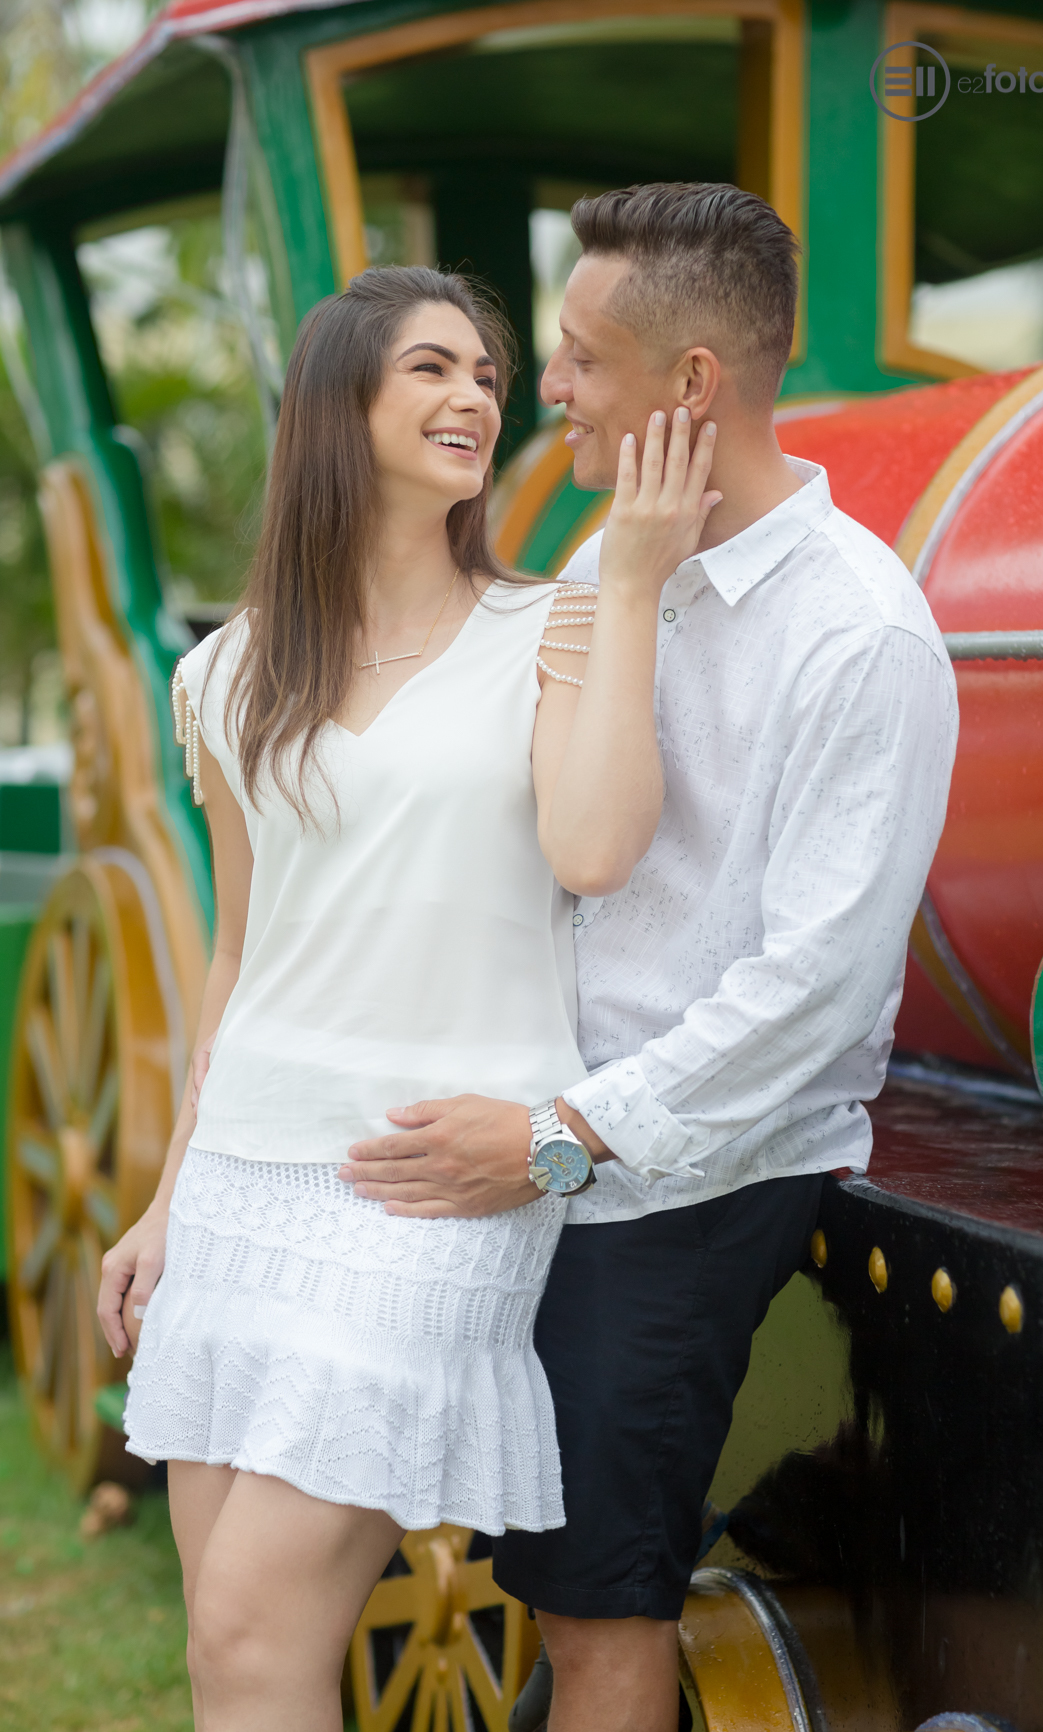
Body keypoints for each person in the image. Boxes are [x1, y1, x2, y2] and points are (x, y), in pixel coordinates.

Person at [341, 185, 960, 1732]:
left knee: (608, 1611)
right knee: (523, 1576)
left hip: (681, 1184)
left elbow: (810, 993)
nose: (538, 387)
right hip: (539, 1144)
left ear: (691, 387)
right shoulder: (618, 571)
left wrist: (557, 1141)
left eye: (577, 358)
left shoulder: (858, 636)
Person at [95, 262, 722, 1732]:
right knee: (233, 1645)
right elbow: (243, 951)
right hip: (246, 1179)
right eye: (432, 369)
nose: (477, 397)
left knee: (254, 1629)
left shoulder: (549, 628)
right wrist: (170, 1197)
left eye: (490, 376)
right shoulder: (227, 674)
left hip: (431, 1183)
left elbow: (597, 846)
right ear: (337, 404)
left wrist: (625, 577)